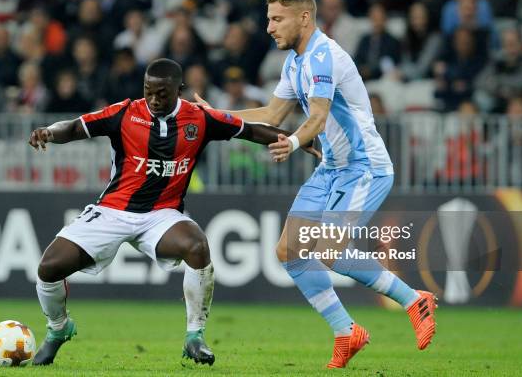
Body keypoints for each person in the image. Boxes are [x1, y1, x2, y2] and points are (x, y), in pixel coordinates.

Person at [195, 0, 437, 369]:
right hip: (332, 168)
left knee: (327, 250)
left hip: (364, 168)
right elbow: (271, 115)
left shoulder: (324, 56)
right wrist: (217, 117)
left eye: (277, 19)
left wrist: (291, 144)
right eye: (268, 19)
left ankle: (414, 300)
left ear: (304, 17)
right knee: (289, 252)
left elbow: (318, 116)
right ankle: (347, 332)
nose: (269, 28)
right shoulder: (295, 61)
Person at [27, 58, 319, 366]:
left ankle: (195, 337)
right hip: (113, 210)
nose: (154, 100)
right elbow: (74, 127)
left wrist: (300, 139)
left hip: (162, 215)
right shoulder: (125, 112)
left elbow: (251, 131)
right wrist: (48, 132)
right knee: (48, 268)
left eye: (162, 94)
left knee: (196, 246)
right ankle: (58, 329)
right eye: (148, 91)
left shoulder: (200, 119)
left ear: (178, 90)